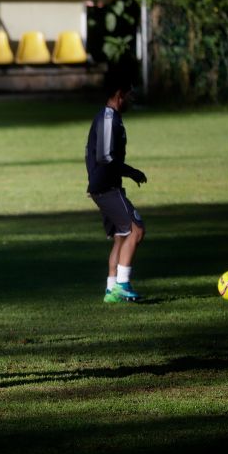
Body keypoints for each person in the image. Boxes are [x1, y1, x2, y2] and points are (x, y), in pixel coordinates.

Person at [85, 75, 147, 303]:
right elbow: (105, 156)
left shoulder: (112, 118)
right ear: (120, 95)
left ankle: (112, 290)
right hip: (106, 187)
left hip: (105, 186)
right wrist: (132, 172)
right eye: (130, 94)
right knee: (136, 229)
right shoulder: (108, 118)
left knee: (122, 236)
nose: (132, 98)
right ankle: (122, 285)